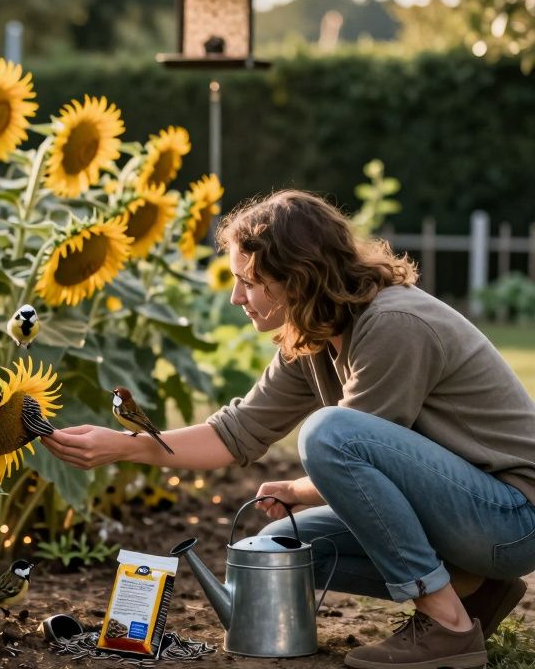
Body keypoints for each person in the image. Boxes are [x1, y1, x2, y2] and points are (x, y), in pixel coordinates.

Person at [41, 190, 535, 669]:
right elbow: (235, 432)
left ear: (297, 277)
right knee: (282, 552)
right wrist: (123, 447)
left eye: (249, 282)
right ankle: (477, 589)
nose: (237, 297)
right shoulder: (313, 337)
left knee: (328, 432)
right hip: (465, 515)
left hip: (512, 520)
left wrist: (303, 486)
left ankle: (446, 625)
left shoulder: (394, 324)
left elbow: (355, 444)